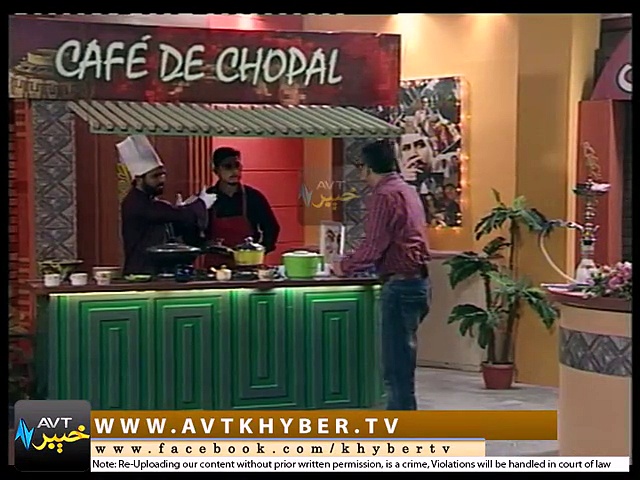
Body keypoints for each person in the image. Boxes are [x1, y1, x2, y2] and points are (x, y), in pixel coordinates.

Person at [332, 140, 431, 410]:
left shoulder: (383, 195)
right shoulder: (407, 190)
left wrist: (343, 265)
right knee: (404, 364)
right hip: (419, 282)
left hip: (399, 286)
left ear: (366, 168)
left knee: (396, 369)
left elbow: (373, 247)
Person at [118, 136, 218, 275]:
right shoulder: (137, 203)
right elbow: (172, 214)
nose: (162, 180)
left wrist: (183, 209)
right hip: (142, 272)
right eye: (155, 176)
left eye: (163, 175)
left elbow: (172, 218)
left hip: (155, 271)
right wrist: (201, 203)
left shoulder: (151, 202)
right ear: (139, 179)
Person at [202, 147, 280, 268]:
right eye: (228, 166)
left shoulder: (253, 197)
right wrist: (206, 246)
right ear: (216, 170)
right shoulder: (206, 198)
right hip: (216, 266)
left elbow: (272, 228)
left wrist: (261, 250)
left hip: (249, 263)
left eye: (237, 166)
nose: (234, 171)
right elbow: (193, 233)